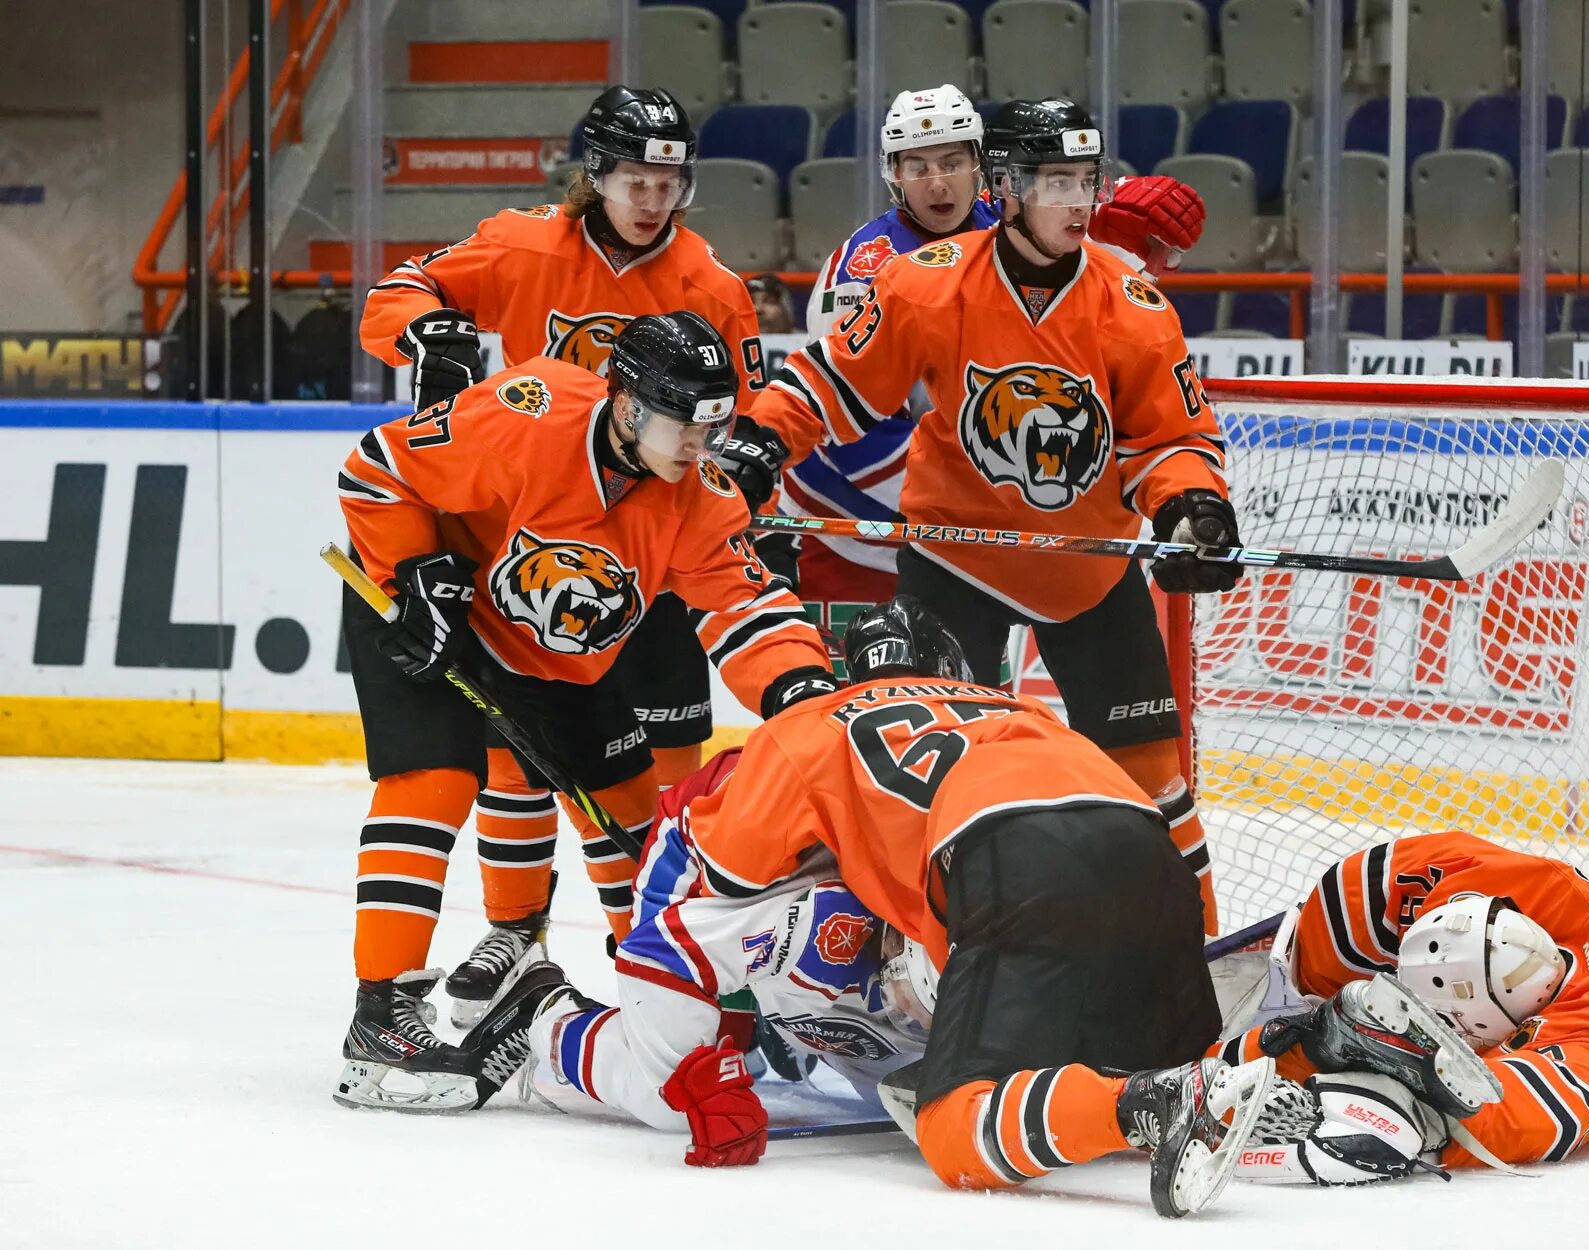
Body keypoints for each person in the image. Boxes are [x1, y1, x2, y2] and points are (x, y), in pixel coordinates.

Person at [463, 598, 1277, 1218]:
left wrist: (695, 1063)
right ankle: (542, 1022)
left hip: (993, 887)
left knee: (948, 1131)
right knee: (694, 1062)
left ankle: (1136, 1103)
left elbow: (681, 891)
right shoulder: (1022, 711)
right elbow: (689, 913)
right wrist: (706, 1044)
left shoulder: (809, 729)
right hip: (1140, 861)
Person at [728, 97, 1234, 932]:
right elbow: (831, 383)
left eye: (1087, 181)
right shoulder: (928, 283)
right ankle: (910, 952)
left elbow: (1170, 436)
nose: (1080, 202)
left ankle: (1197, 948)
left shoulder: (1131, 303)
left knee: (1154, 778)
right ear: (1005, 186)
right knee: (924, 770)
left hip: (1086, 565)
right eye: (1057, 183)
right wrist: (757, 444)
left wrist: (1195, 510)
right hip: (955, 558)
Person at [332, 313, 836, 1112]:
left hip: (559, 651)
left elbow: (747, 611)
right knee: (435, 781)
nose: (704, 446)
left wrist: (800, 692)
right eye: (688, 425)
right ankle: (379, 1019)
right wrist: (410, 572)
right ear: (631, 406)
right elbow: (375, 468)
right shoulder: (527, 414)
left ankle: (670, 990)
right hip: (434, 611)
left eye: (719, 425)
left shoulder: (700, 497)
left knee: (638, 823)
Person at [358, 85, 775, 1025]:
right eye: (635, 177)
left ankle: (669, 952)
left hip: (653, 547)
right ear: (597, 175)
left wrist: (748, 467)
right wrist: (425, 331)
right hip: (539, 535)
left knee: (655, 769)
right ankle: (518, 934)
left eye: (669, 179)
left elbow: (731, 423)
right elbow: (399, 293)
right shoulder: (519, 244)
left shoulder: (711, 285)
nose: (652, 197)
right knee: (515, 749)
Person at [761, 84, 1210, 635]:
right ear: (893, 174)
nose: (937, 182)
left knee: (981, 711)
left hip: (972, 529)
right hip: (855, 531)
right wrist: (999, 502)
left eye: (952, 160)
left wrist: (1130, 244)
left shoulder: (1019, 228)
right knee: (870, 712)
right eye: (917, 164)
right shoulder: (862, 272)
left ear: (984, 166)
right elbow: (849, 432)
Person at [1223, 831, 1589, 1181]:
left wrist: (1327, 1066)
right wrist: (1313, 988)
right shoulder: (1546, 888)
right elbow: (1354, 891)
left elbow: (1482, 1116)